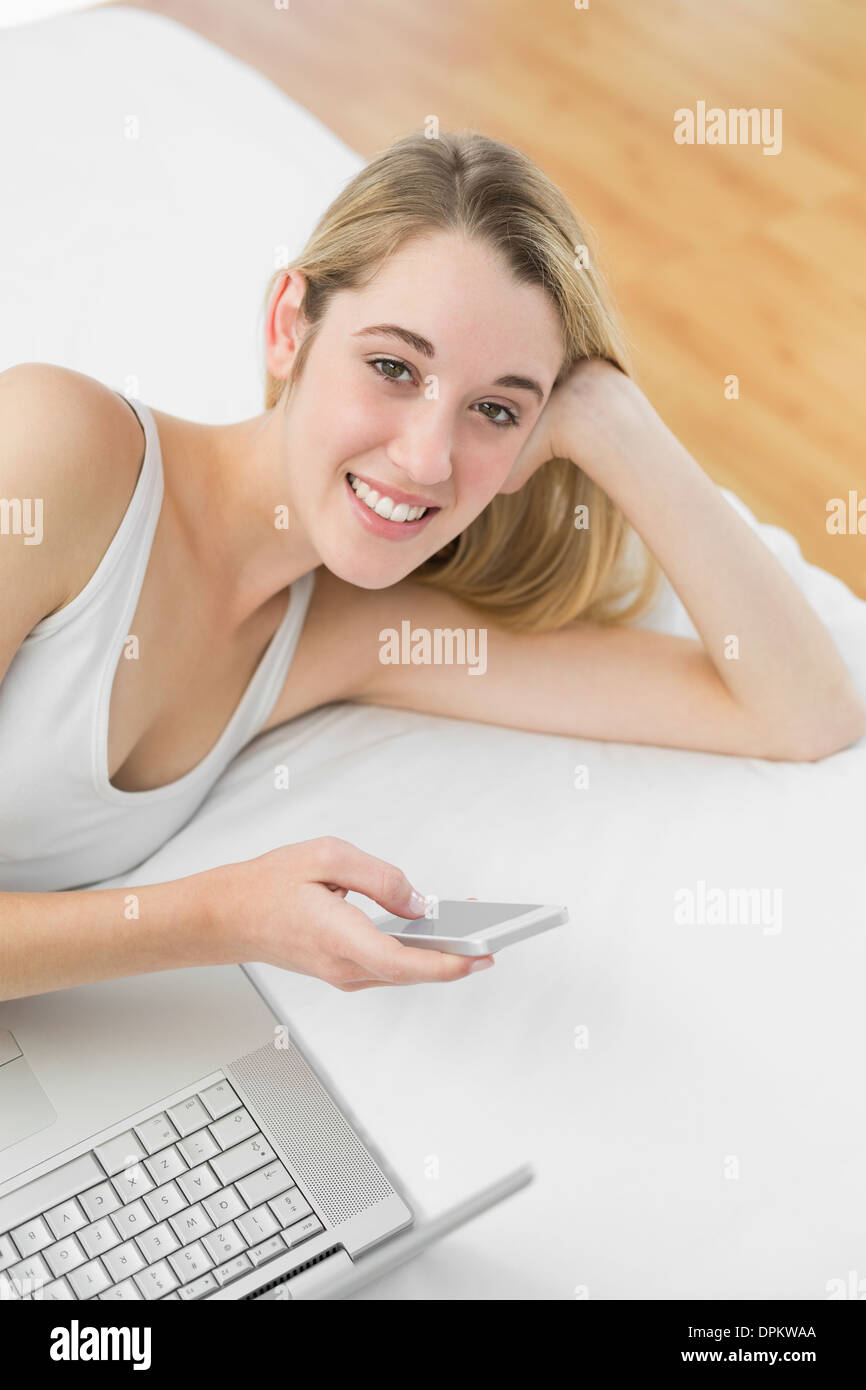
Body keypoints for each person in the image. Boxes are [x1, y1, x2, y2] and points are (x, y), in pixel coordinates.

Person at [1, 130, 862, 1003]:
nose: (426, 461)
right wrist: (227, 917)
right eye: (392, 366)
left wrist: (609, 417)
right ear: (287, 327)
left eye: (494, 408)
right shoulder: (55, 452)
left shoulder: (355, 631)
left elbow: (801, 711)